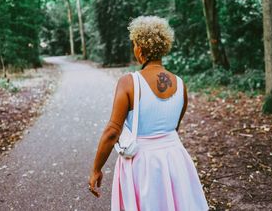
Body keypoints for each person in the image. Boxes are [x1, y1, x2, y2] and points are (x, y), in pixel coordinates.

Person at [88, 16, 209, 211]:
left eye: (134, 43)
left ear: (140, 47)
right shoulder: (180, 84)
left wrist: (96, 169)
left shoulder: (129, 82)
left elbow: (112, 131)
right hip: (175, 160)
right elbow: (173, 127)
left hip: (142, 164)